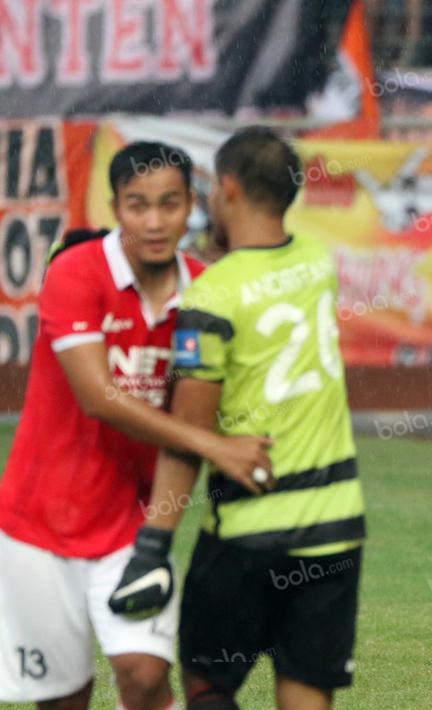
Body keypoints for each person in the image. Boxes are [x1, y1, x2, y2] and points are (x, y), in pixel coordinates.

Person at [0, 142, 272, 710]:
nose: (154, 222)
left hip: (132, 523)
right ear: (115, 207)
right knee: (62, 699)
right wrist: (214, 447)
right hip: (38, 525)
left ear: (191, 205)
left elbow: (204, 406)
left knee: (146, 679)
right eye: (137, 205)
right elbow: (98, 397)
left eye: (169, 204)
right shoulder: (74, 272)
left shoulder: (206, 290)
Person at [108, 127, 365, 710]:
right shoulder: (317, 265)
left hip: (250, 532)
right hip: (336, 524)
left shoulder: (212, 298)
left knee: (207, 683)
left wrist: (153, 545)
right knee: (307, 688)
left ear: (227, 189)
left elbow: (189, 437)